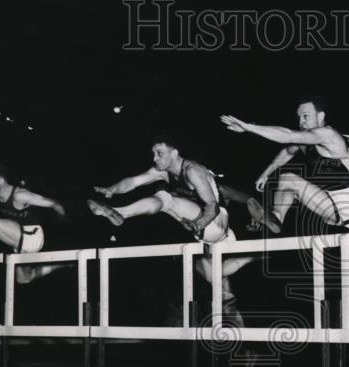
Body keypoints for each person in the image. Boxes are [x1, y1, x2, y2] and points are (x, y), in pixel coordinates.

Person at [219, 96, 349, 291]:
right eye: (299, 117)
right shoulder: (305, 141)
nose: (301, 121)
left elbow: (287, 136)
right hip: (330, 204)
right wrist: (265, 174)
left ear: (321, 116)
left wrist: (249, 127)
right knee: (287, 179)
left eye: (305, 116)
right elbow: (288, 150)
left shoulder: (328, 134)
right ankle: (275, 220)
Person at [85, 134, 254, 325]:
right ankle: (237, 327)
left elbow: (212, 206)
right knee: (216, 283)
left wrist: (198, 225)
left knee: (165, 199)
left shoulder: (193, 170)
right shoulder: (163, 172)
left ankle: (121, 212)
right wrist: (112, 190)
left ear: (174, 153)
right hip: (206, 234)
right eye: (153, 154)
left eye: (159, 153)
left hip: (216, 222)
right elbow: (132, 182)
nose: (155, 158)